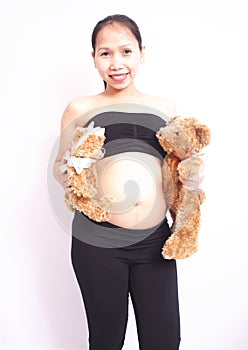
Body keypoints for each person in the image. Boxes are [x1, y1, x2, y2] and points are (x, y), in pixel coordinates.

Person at [53, 14, 202, 350]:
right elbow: (58, 169)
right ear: (93, 58)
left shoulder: (164, 107)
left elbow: (175, 169)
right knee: (107, 340)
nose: (116, 63)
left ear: (141, 53)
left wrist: (191, 177)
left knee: (163, 340)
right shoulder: (80, 107)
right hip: (98, 242)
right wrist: (71, 169)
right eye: (105, 53)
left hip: (154, 242)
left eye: (125, 51)